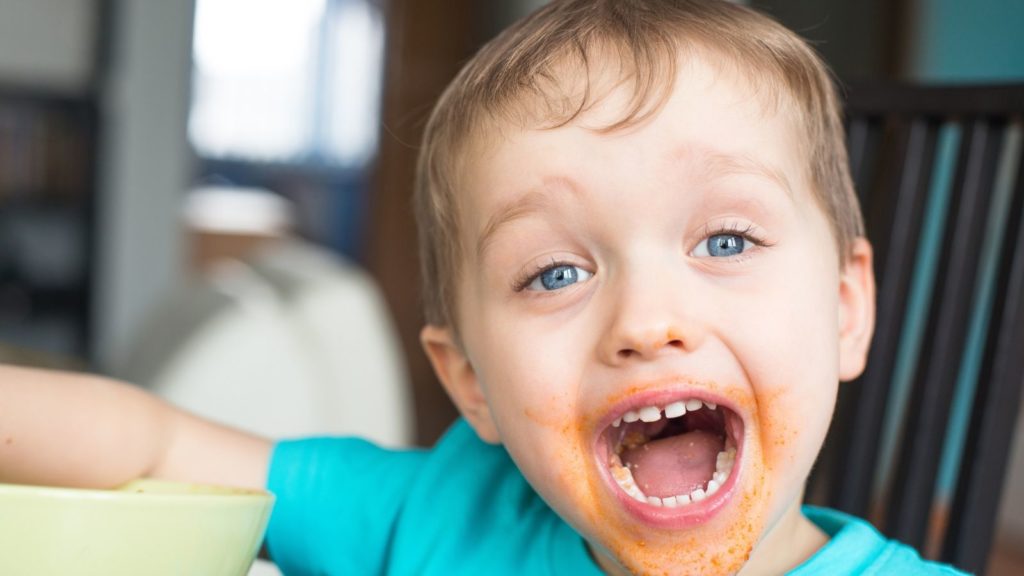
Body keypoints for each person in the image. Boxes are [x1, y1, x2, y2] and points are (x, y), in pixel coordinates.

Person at [0, 1, 967, 574]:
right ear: (468, 382)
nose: (646, 321)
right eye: (555, 272)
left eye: (724, 238)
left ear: (845, 309)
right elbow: (159, 441)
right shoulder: (432, 522)